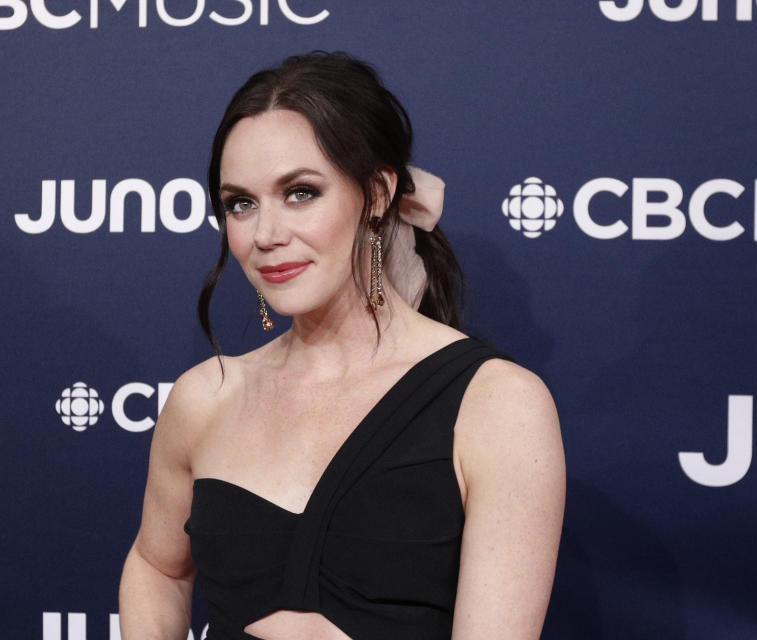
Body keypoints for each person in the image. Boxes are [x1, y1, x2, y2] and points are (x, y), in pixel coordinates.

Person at [119, 51, 565, 640]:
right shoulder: (206, 396)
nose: (268, 235)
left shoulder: (498, 405)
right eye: (240, 204)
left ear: (377, 193)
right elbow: (158, 565)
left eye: (300, 192)